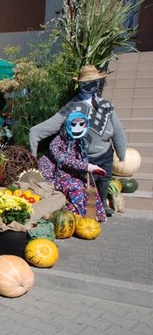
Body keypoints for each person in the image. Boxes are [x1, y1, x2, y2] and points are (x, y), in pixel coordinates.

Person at [29, 65, 127, 217]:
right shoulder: (71, 107)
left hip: (105, 151)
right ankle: (91, 209)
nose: (90, 85)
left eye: (94, 81)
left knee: (104, 179)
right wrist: (34, 138)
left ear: (99, 83)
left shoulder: (106, 106)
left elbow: (118, 130)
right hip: (83, 155)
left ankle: (101, 204)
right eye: (86, 82)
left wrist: (122, 153)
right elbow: (52, 124)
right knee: (88, 182)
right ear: (80, 84)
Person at [38, 111, 107, 222]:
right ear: (67, 125)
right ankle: (80, 220)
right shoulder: (56, 143)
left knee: (90, 188)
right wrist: (88, 167)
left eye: (81, 124)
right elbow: (64, 160)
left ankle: (95, 216)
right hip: (55, 177)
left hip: (72, 176)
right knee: (75, 187)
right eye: (74, 125)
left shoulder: (79, 142)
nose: (78, 128)